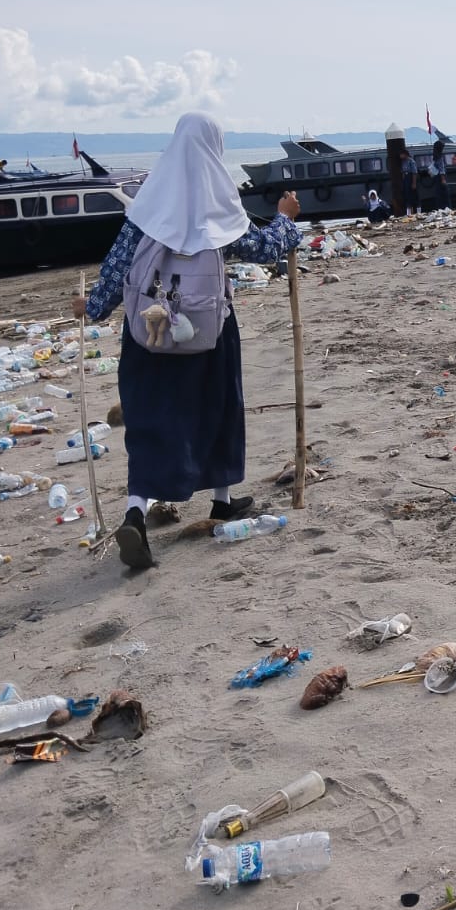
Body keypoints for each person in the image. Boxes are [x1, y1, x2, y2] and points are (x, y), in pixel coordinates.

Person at [74, 112, 302, 570]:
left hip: (149, 332)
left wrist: (93, 307)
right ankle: (221, 499)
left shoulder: (149, 203)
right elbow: (261, 249)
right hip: (209, 331)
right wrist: (285, 220)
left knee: (151, 421)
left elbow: (117, 267)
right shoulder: (219, 203)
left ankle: (136, 513)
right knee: (215, 409)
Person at [426, 135, 449, 212]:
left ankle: (440, 207)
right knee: (444, 193)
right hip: (440, 177)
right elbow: (442, 169)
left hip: (436, 176)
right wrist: (443, 179)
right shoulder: (440, 157)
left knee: (438, 193)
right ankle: (446, 208)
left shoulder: (434, 156)